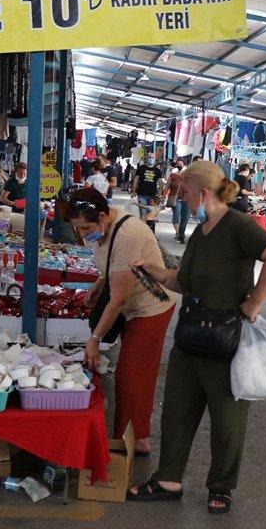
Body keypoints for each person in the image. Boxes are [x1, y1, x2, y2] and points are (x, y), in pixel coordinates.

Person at [128, 161, 266, 515]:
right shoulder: (201, 231)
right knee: (176, 409)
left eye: (184, 193)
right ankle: (168, 478)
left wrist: (254, 301)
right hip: (190, 335)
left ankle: (221, 486)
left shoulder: (237, 226)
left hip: (225, 339)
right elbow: (181, 282)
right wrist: (151, 270)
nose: (181, 199)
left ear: (203, 193)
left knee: (227, 418)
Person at [64, 187, 176, 456]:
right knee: (139, 374)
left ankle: (123, 444)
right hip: (132, 304)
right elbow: (113, 265)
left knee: (130, 376)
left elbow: (118, 300)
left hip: (151, 306)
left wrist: (95, 340)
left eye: (85, 227)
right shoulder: (104, 228)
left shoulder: (127, 233)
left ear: (103, 216)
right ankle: (138, 436)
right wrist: (99, 282)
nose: (81, 234)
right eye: (77, 228)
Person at [131, 155, 164, 232]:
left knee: (151, 213)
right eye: (150, 157)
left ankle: (149, 230)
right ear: (147, 158)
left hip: (152, 195)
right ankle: (143, 231)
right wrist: (133, 191)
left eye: (153, 158)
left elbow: (161, 182)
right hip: (141, 193)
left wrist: (160, 193)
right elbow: (136, 180)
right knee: (143, 212)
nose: (151, 159)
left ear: (155, 159)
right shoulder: (141, 168)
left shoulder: (157, 170)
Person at [166, 159, 188, 243]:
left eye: (181, 164)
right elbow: (167, 186)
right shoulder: (173, 175)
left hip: (186, 199)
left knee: (184, 218)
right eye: (178, 164)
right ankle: (178, 233)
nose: (179, 165)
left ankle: (181, 233)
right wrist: (164, 196)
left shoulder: (187, 176)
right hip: (176, 199)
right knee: (176, 215)